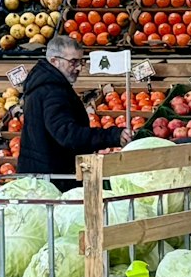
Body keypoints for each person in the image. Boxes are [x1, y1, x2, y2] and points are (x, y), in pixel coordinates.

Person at [16, 36, 129, 183]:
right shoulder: (53, 91)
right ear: (54, 61)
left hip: (40, 173)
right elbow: (67, 134)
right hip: (52, 178)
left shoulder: (45, 83)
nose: (79, 68)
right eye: (73, 62)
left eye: (81, 61)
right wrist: (112, 136)